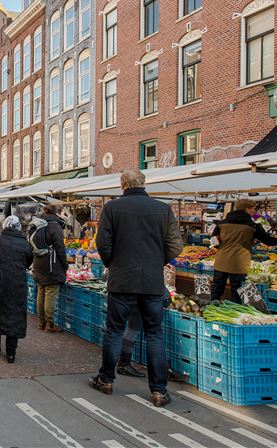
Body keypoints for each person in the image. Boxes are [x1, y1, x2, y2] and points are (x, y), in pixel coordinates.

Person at [91, 169, 183, 407]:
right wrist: (156, 261)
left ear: (123, 185)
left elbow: (103, 242)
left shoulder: (112, 208)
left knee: (114, 330)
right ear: (144, 183)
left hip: (122, 280)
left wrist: (114, 262)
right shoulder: (163, 209)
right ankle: (159, 391)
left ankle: (106, 379)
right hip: (152, 282)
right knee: (155, 333)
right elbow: (176, 245)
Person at [0, 215, 34, 364]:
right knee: (14, 316)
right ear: (18, 227)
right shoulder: (24, 243)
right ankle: (11, 353)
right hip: (17, 285)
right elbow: (29, 261)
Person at [211, 199, 277, 303]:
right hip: (239, 264)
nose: (254, 212)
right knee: (237, 293)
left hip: (221, 262)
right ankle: (235, 315)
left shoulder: (221, 223)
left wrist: (222, 249)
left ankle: (212, 309)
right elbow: (268, 241)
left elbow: (213, 240)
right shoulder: (253, 226)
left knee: (216, 291)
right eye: (253, 209)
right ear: (246, 209)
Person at [30, 204, 68, 333]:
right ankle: (49, 324)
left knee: (41, 291)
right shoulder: (54, 225)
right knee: (50, 293)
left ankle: (41, 322)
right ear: (57, 213)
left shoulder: (39, 223)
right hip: (52, 265)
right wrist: (65, 264)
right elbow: (60, 248)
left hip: (38, 262)